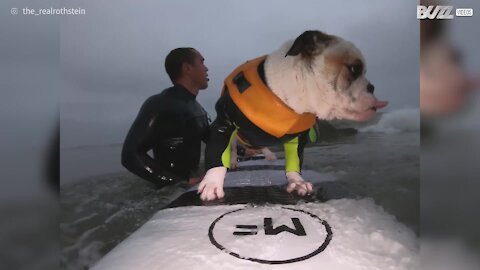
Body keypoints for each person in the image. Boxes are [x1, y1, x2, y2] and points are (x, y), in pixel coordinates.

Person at [121, 48, 210, 187]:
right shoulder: (161, 103)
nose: (206, 68)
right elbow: (130, 155)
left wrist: (243, 150)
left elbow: (212, 138)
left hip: (191, 182)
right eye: (202, 62)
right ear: (187, 68)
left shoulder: (197, 108)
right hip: (167, 193)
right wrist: (179, 182)